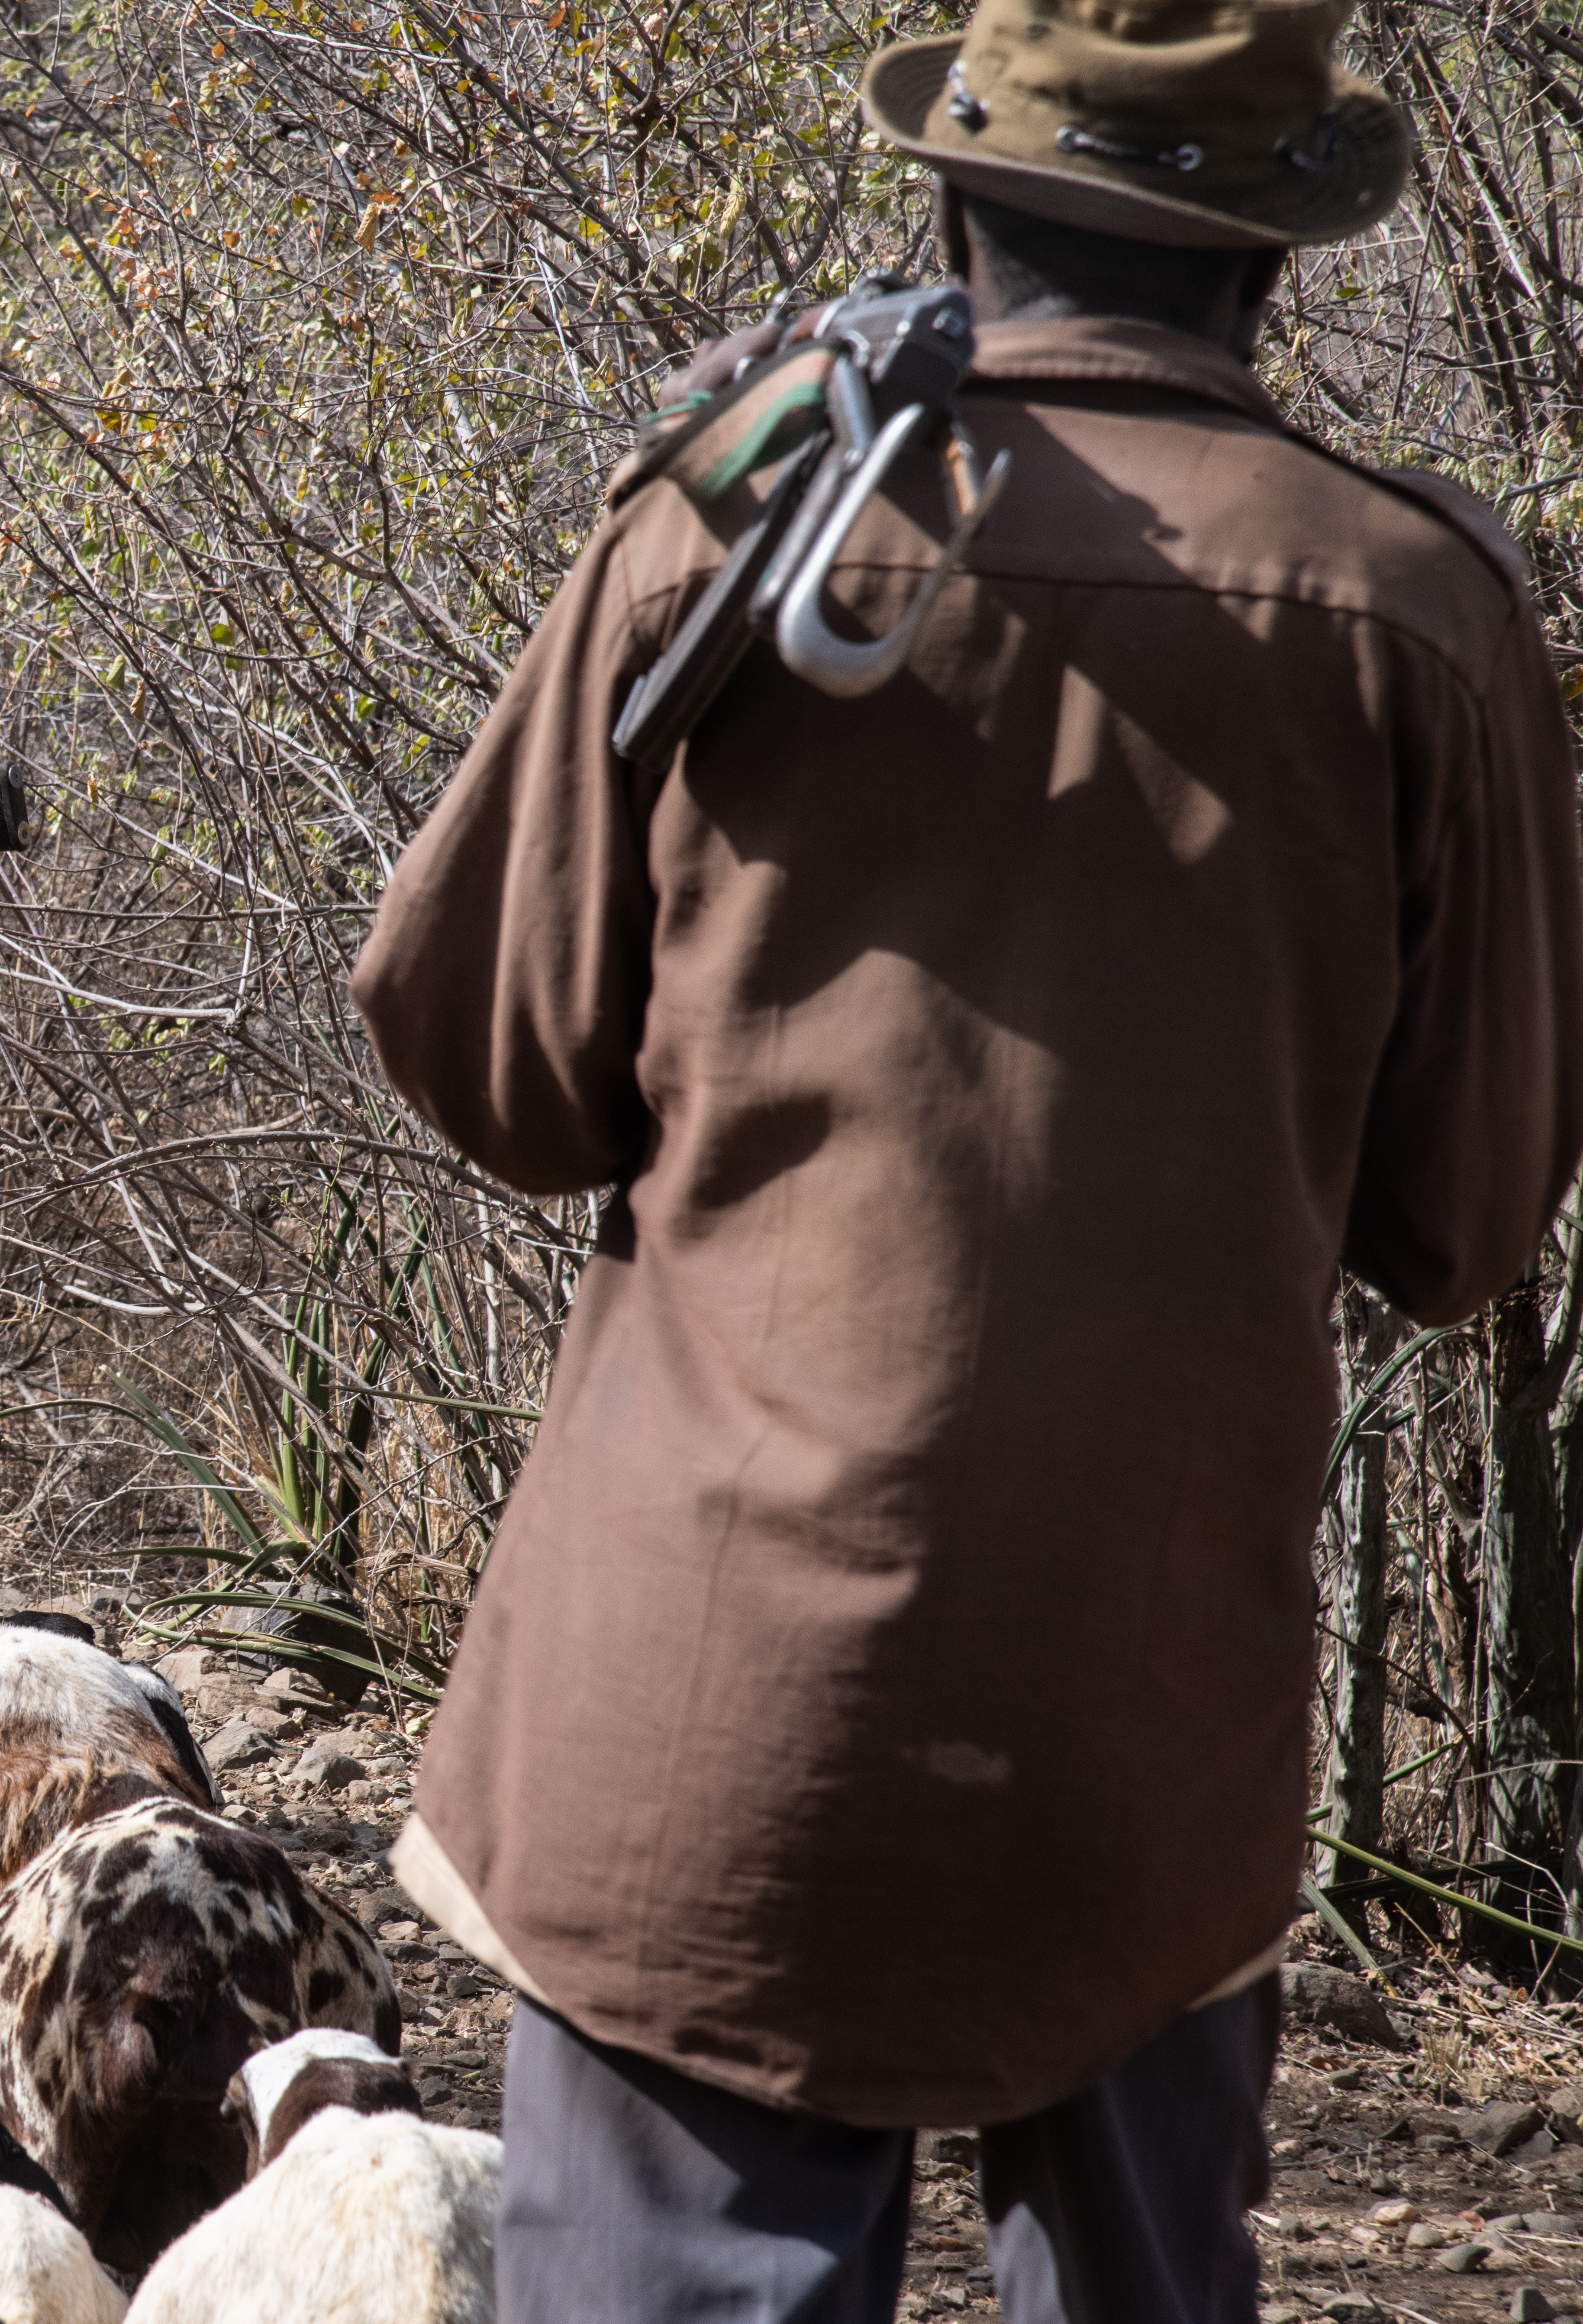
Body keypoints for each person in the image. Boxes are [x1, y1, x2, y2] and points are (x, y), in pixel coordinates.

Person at [349, 1, 1583, 2315]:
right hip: (1141, 1733)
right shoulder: (1418, 612)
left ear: (948, 197)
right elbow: (1462, 1221)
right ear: (1272, 249)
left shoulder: (726, 519)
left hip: (688, 1719)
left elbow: (491, 1064)